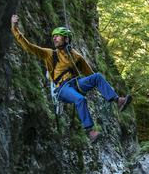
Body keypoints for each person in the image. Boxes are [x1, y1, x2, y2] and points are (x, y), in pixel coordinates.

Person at [10, 14, 132, 142]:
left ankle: (118, 100)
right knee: (80, 99)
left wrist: (102, 87)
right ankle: (90, 132)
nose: (55, 38)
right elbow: (29, 47)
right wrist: (15, 27)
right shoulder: (50, 54)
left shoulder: (76, 56)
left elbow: (89, 74)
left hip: (77, 83)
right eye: (54, 36)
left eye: (58, 36)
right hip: (62, 88)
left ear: (66, 39)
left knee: (97, 77)